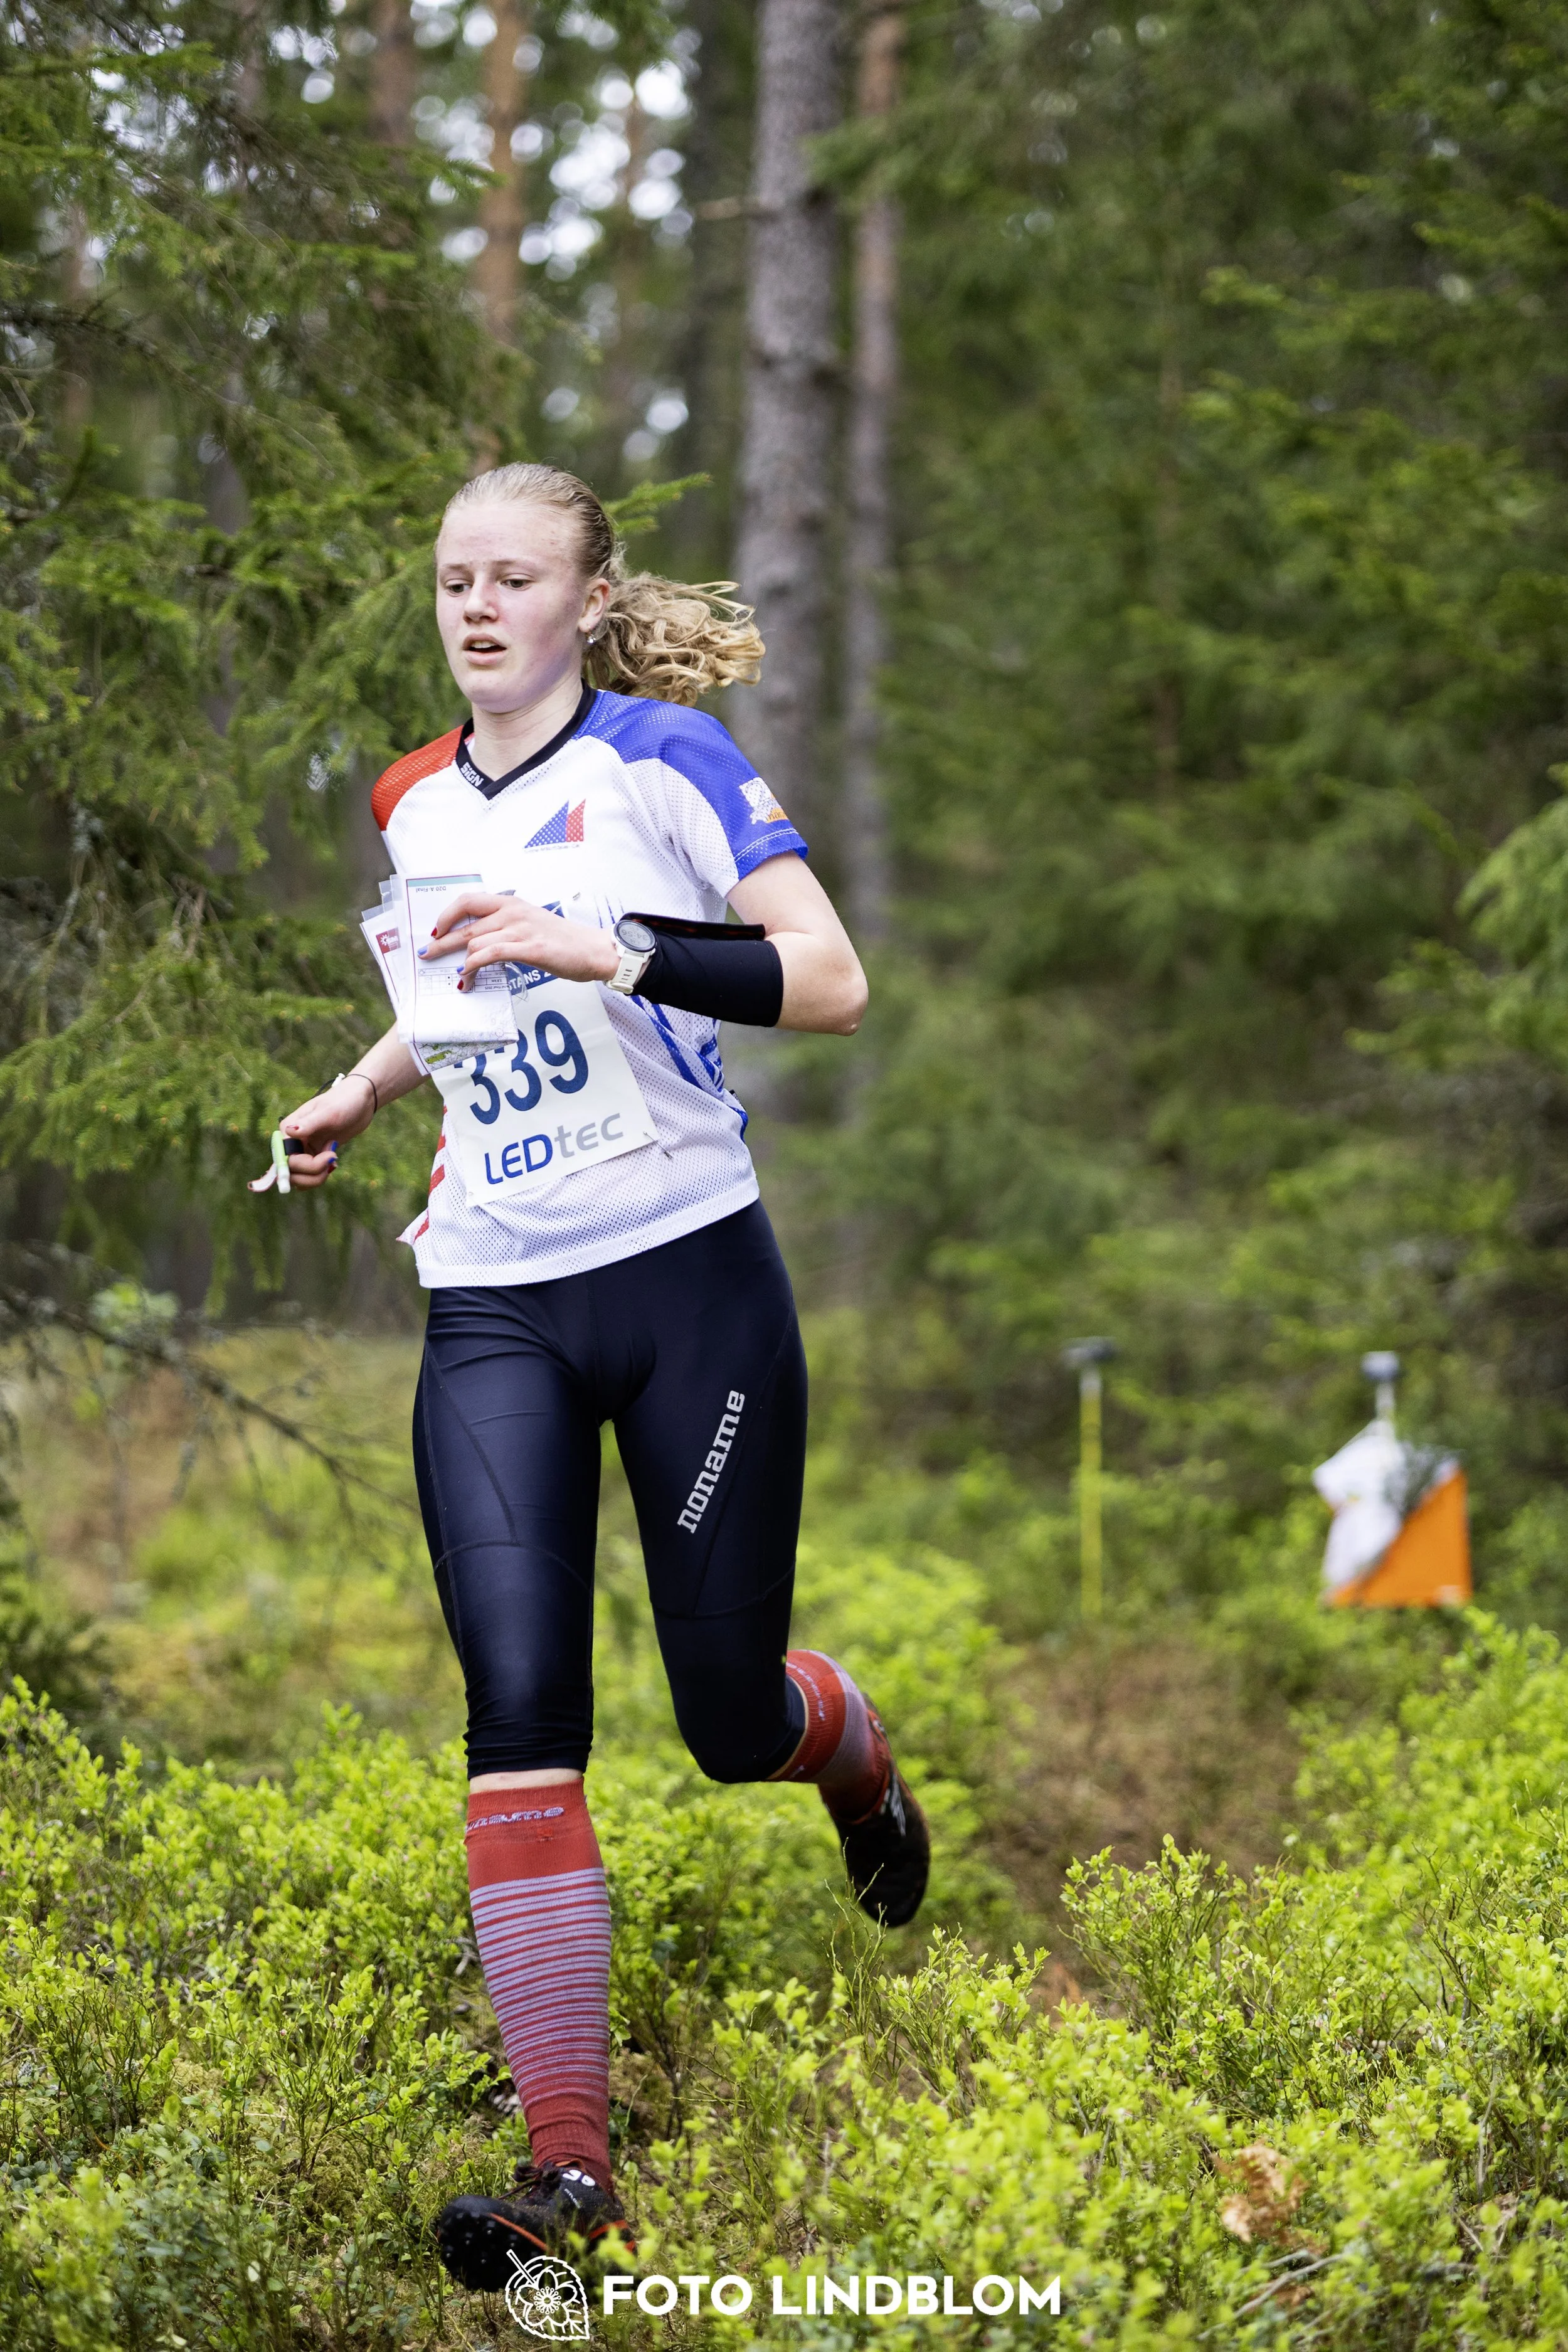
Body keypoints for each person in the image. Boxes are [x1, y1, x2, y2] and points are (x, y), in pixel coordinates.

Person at [278, 463, 929, 2287]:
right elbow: (451, 989)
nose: (476, 608)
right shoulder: (415, 798)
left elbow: (830, 979)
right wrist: (364, 1086)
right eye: (452, 582)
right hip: (493, 1291)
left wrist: (613, 939)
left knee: (724, 1718)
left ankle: (846, 1746)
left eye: (511, 579)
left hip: (687, 1283)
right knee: (517, 1703)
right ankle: (567, 2174)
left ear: (583, 598)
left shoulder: (665, 762)